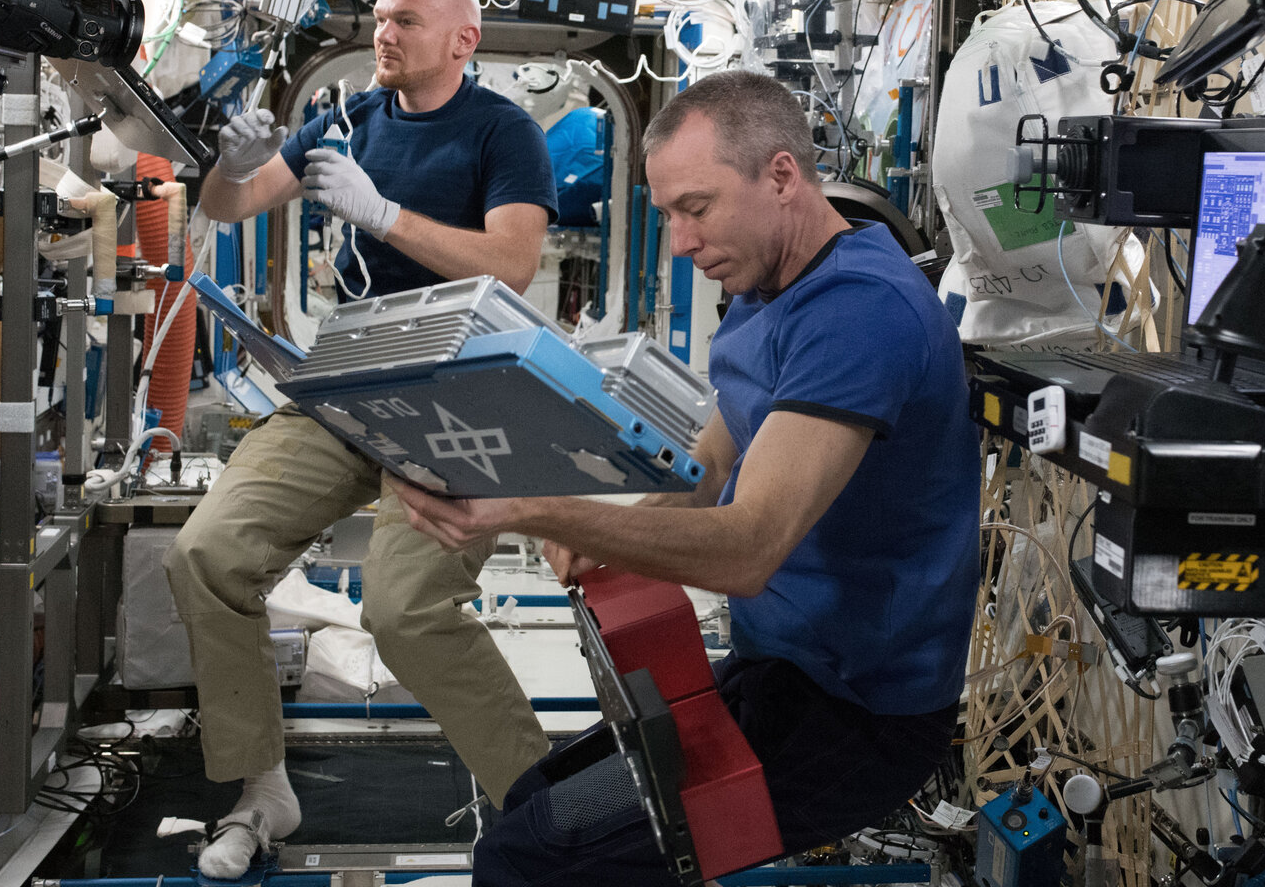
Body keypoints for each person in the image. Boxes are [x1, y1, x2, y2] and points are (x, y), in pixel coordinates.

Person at [388, 69, 980, 885]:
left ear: (780, 176)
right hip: (778, 673)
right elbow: (706, 468)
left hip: (855, 717)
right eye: (667, 214)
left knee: (530, 860)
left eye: (695, 209)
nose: (679, 242)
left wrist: (538, 510)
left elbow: (748, 549)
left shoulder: (859, 313)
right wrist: (606, 525)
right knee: (528, 805)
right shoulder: (767, 285)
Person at [165, 0, 558, 879]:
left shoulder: (505, 133)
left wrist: (383, 214)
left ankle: (543, 804)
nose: (384, 34)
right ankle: (261, 786)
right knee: (208, 555)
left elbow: (514, 265)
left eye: (406, 21)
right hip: (347, 379)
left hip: (454, 392)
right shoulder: (347, 119)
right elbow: (234, 205)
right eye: (378, 19)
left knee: (405, 610)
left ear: (464, 40)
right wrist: (227, 166)